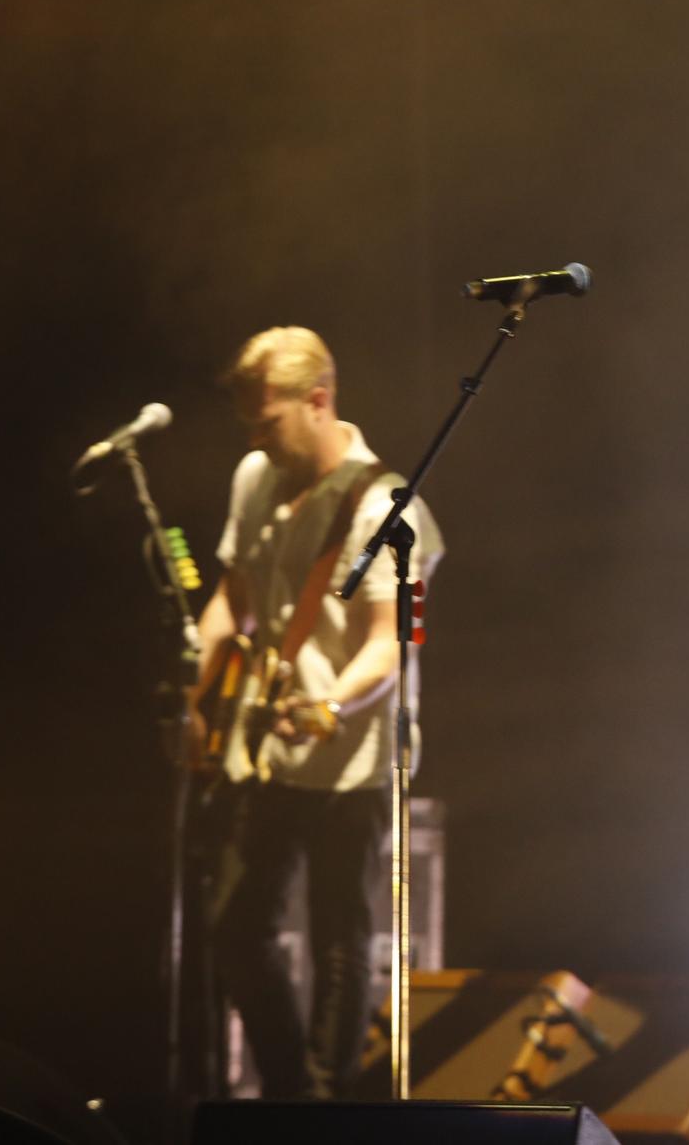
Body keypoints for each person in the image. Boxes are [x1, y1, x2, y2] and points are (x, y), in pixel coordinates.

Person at [189, 326, 443, 1097]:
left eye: (267, 421)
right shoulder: (254, 477)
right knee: (236, 929)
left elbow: (385, 647)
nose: (255, 437)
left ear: (319, 401)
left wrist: (330, 701)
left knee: (341, 941)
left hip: (352, 755)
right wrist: (198, 701)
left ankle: (326, 1111)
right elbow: (231, 602)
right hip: (262, 748)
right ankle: (291, 1094)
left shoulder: (387, 510)